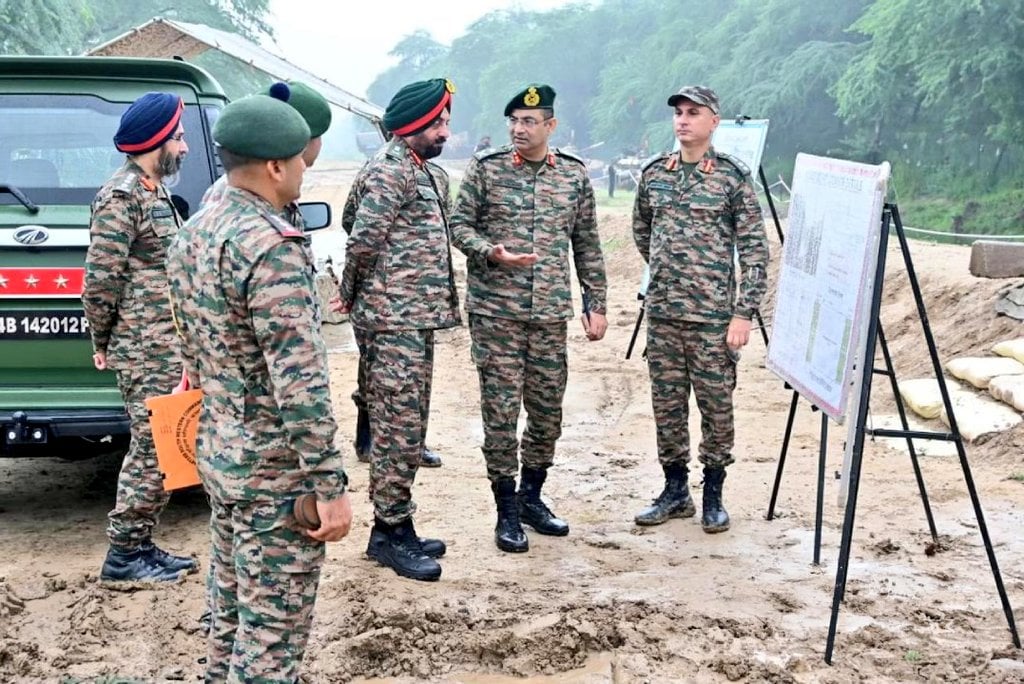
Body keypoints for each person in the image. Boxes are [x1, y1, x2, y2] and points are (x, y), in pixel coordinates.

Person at [166, 91, 353, 681]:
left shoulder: (194, 233)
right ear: (275, 165)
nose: (304, 170)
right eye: (299, 159)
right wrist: (330, 485)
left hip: (223, 458)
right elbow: (300, 388)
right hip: (276, 478)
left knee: (229, 616)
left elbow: (191, 350)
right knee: (272, 638)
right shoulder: (272, 251)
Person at [449, 84, 608, 554]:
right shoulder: (486, 168)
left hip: (548, 315)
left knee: (546, 413)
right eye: (513, 121)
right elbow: (459, 226)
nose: (519, 129)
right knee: (500, 413)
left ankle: (533, 497)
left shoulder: (573, 176)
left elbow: (587, 242)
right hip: (496, 313)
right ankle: (506, 511)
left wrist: (595, 301)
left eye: (529, 122)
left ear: (550, 126)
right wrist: (489, 252)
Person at [631, 85, 768, 533]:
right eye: (678, 113)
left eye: (694, 113)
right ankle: (675, 491)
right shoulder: (656, 174)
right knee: (667, 408)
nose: (683, 120)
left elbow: (753, 250)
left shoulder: (731, 177)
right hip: (665, 316)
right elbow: (642, 231)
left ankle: (713, 493)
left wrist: (743, 313)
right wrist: (673, 273)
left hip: (714, 320)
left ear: (714, 122)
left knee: (716, 408)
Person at [339, 78, 460, 581]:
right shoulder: (392, 171)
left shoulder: (416, 169)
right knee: (397, 429)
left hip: (409, 319)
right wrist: (350, 292)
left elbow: (349, 217)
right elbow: (361, 238)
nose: (446, 132)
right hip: (393, 322)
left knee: (408, 426)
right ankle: (388, 533)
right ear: (413, 126)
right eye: (438, 123)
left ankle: (398, 524)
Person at [82, 91, 197, 583]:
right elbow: (100, 278)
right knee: (153, 447)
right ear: (157, 141)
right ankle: (125, 554)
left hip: (167, 344)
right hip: (144, 347)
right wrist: (101, 340)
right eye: (180, 137)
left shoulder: (153, 190)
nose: (187, 148)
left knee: (167, 446)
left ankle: (141, 543)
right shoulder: (122, 196)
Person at [341, 170, 445, 469]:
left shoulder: (434, 175)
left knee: (417, 379)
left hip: (420, 297)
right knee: (376, 374)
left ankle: (415, 443)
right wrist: (392, 252)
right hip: (382, 295)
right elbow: (353, 221)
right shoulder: (378, 172)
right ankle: (367, 437)